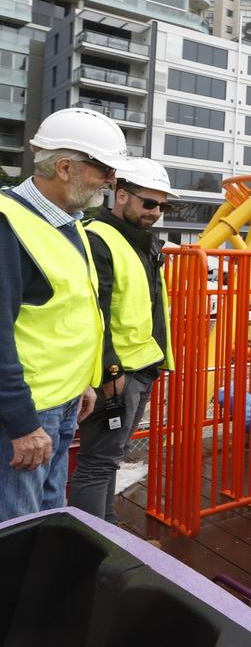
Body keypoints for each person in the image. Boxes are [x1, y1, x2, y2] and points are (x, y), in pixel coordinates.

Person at [0, 108, 131, 522]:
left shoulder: (68, 222)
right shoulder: (8, 225)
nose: (112, 181)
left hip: (64, 401)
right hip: (28, 414)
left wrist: (86, 382)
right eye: (105, 170)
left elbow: (73, 311)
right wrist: (21, 424)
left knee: (49, 516)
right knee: (18, 528)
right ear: (64, 167)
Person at [69, 158, 176, 522]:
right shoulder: (98, 237)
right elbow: (92, 309)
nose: (157, 212)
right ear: (121, 195)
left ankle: (105, 529)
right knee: (98, 461)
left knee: (110, 457)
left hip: (141, 367)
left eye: (163, 205)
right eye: (149, 203)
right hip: (117, 374)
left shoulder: (140, 241)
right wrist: (110, 368)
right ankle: (92, 540)